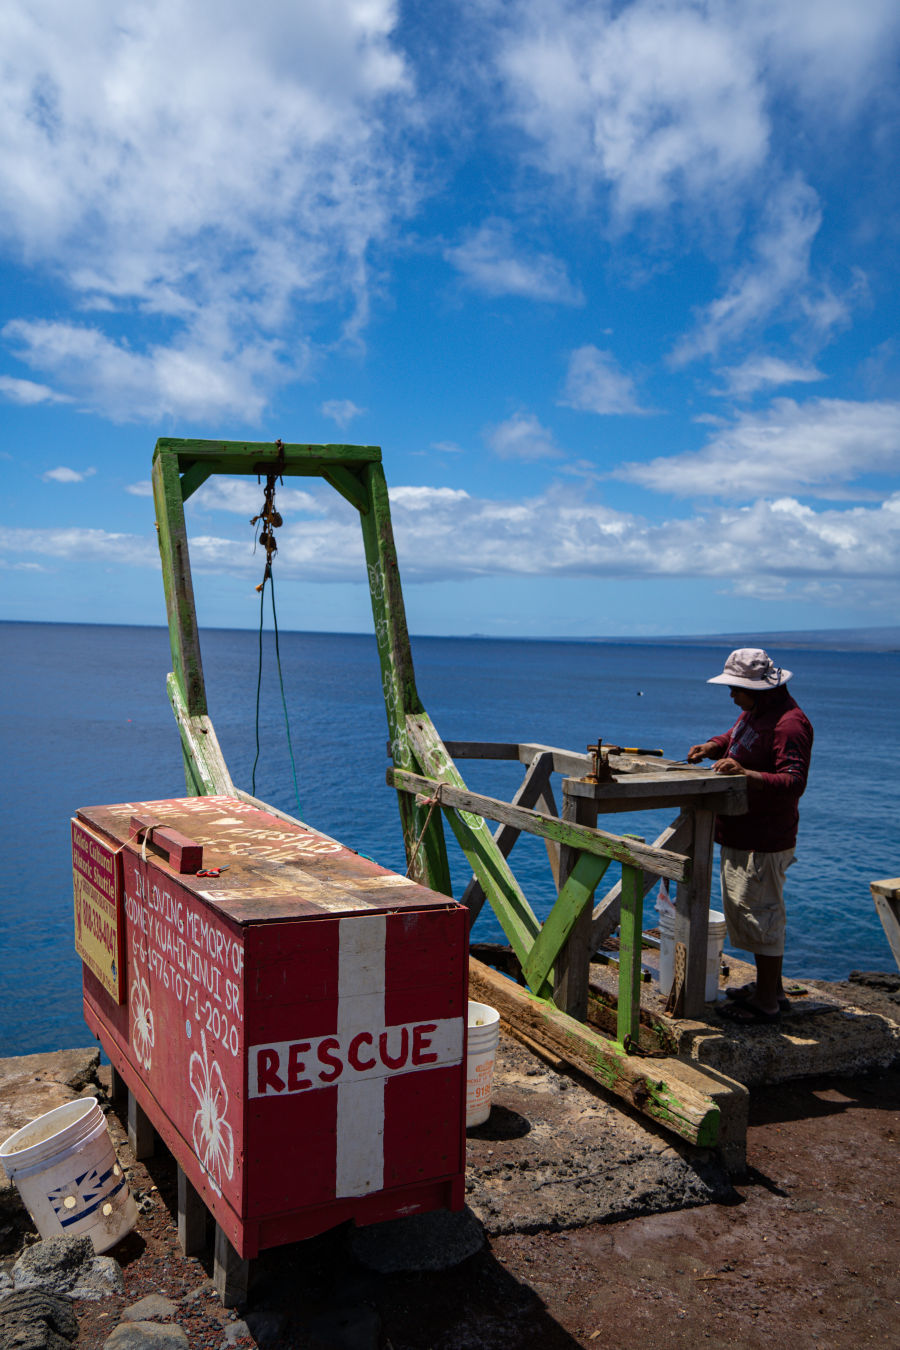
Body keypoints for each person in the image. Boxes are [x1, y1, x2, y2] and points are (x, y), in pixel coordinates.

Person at [687, 648, 813, 1024]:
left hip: (764, 837)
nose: (731, 695)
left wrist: (745, 774)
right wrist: (714, 745)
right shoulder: (758, 712)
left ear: (756, 690)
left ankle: (767, 1003)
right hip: (745, 833)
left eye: (735, 689)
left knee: (762, 918)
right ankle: (769, 989)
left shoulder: (789, 724)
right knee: (752, 913)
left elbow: (793, 782)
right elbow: (735, 735)